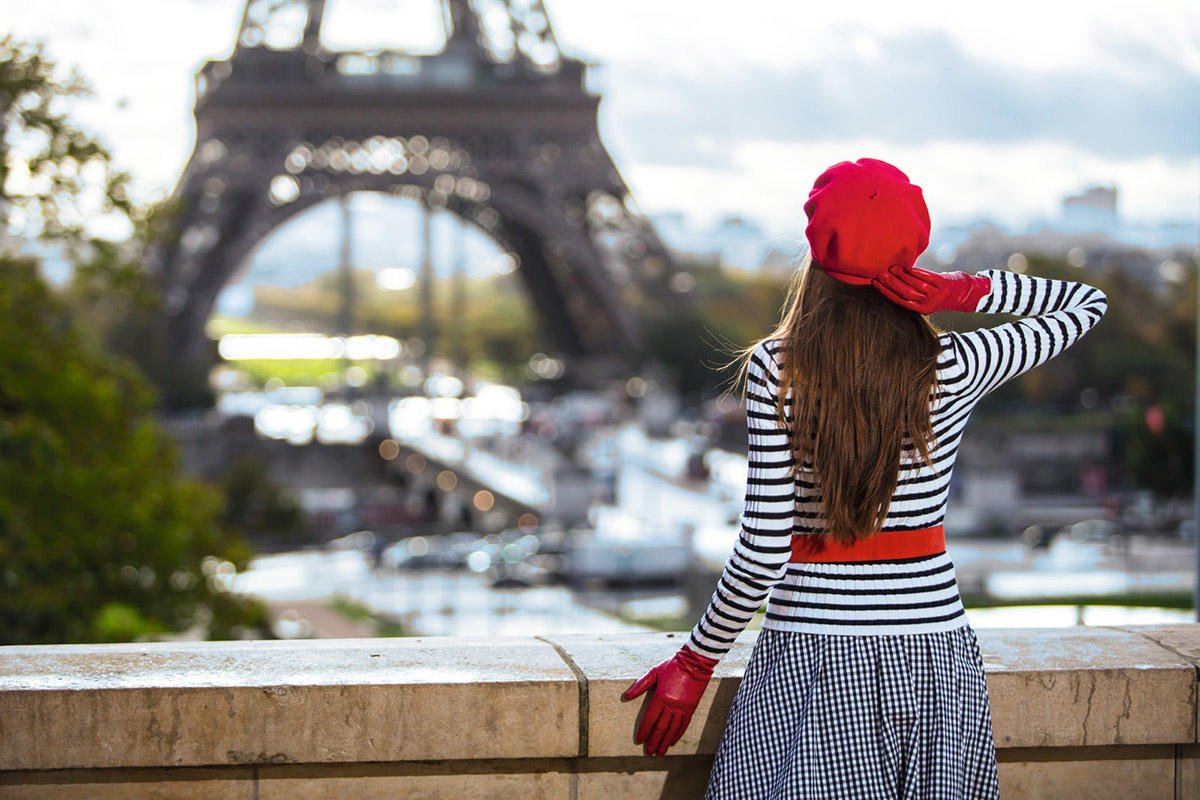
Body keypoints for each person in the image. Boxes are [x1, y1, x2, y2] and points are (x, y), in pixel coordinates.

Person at [620, 157, 1108, 799]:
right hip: (935, 658)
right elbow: (1086, 304)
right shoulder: (959, 362)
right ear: (913, 249)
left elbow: (763, 549)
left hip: (812, 653)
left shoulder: (777, 369)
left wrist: (695, 661)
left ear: (818, 251)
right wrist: (963, 291)